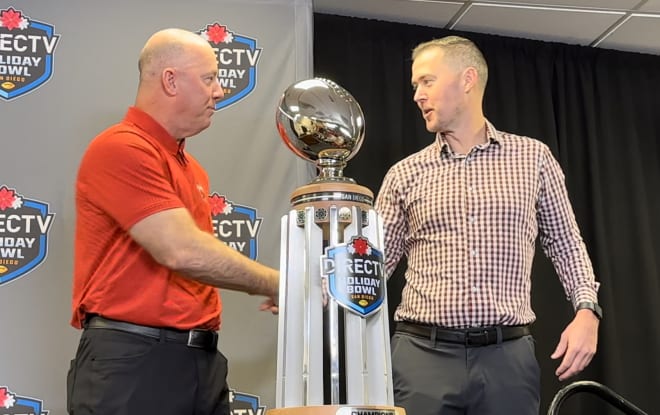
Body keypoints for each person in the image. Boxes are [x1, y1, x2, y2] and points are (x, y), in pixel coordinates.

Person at [374, 35, 601, 415]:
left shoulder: (533, 158)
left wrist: (587, 311)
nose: (417, 95)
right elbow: (373, 268)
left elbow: (566, 243)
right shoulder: (404, 174)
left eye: (426, 81)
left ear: (467, 79)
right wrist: (315, 296)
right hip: (421, 358)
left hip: (506, 361)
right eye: (415, 85)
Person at [67, 28, 279, 415]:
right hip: (136, 363)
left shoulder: (191, 168)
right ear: (170, 80)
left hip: (198, 361)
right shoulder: (122, 147)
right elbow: (181, 250)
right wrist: (276, 283)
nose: (219, 91)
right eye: (209, 78)